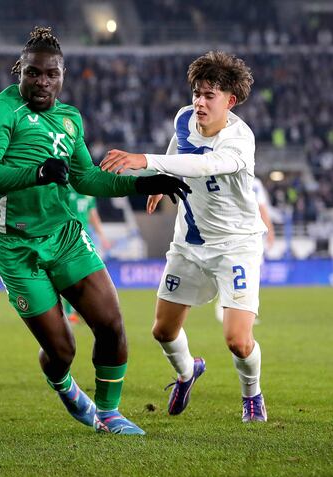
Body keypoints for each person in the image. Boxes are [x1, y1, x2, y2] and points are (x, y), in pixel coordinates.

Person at [0, 26, 189, 435]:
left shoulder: (70, 120)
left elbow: (87, 179)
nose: (42, 82)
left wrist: (144, 182)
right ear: (20, 70)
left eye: (52, 74)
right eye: (34, 73)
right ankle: (64, 385)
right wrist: (36, 172)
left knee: (111, 325)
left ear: (63, 75)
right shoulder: (1, 111)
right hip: (17, 246)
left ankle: (108, 414)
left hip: (66, 236)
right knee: (62, 350)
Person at [100, 51, 268, 422]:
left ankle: (252, 395)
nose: (200, 102)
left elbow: (206, 164)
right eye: (197, 93)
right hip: (189, 244)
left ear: (231, 100)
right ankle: (187, 372)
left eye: (210, 95)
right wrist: (162, 182)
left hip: (235, 245)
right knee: (162, 330)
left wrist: (147, 161)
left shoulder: (240, 141)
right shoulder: (184, 119)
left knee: (238, 341)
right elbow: (179, 149)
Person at [215, 175, 274, 322]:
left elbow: (262, 208)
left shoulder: (254, 182)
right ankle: (227, 307)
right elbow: (262, 208)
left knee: (248, 276)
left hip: (248, 237)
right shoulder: (234, 178)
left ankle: (244, 312)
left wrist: (270, 231)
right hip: (236, 235)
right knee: (236, 274)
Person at [64, 186, 111, 324]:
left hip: (85, 238)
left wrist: (102, 236)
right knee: (70, 276)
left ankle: (82, 309)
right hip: (68, 237)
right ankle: (68, 312)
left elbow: (92, 214)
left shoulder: (87, 189)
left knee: (87, 275)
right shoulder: (65, 187)